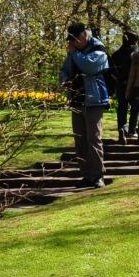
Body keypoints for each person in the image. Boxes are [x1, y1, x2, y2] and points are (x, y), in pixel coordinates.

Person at [59, 21, 110, 187]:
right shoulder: (74, 51)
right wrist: (64, 79)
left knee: (93, 138)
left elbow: (89, 66)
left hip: (94, 99)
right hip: (77, 99)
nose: (73, 42)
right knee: (80, 140)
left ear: (84, 34)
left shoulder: (98, 48)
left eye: (75, 38)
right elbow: (64, 69)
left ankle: (97, 176)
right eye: (71, 39)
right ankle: (86, 175)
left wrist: (74, 53)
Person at [108, 29, 139, 142]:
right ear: (134, 41)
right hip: (133, 84)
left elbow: (111, 71)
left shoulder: (115, 54)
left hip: (120, 84)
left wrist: (118, 80)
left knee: (122, 107)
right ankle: (132, 130)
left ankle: (122, 127)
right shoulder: (136, 54)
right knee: (135, 107)